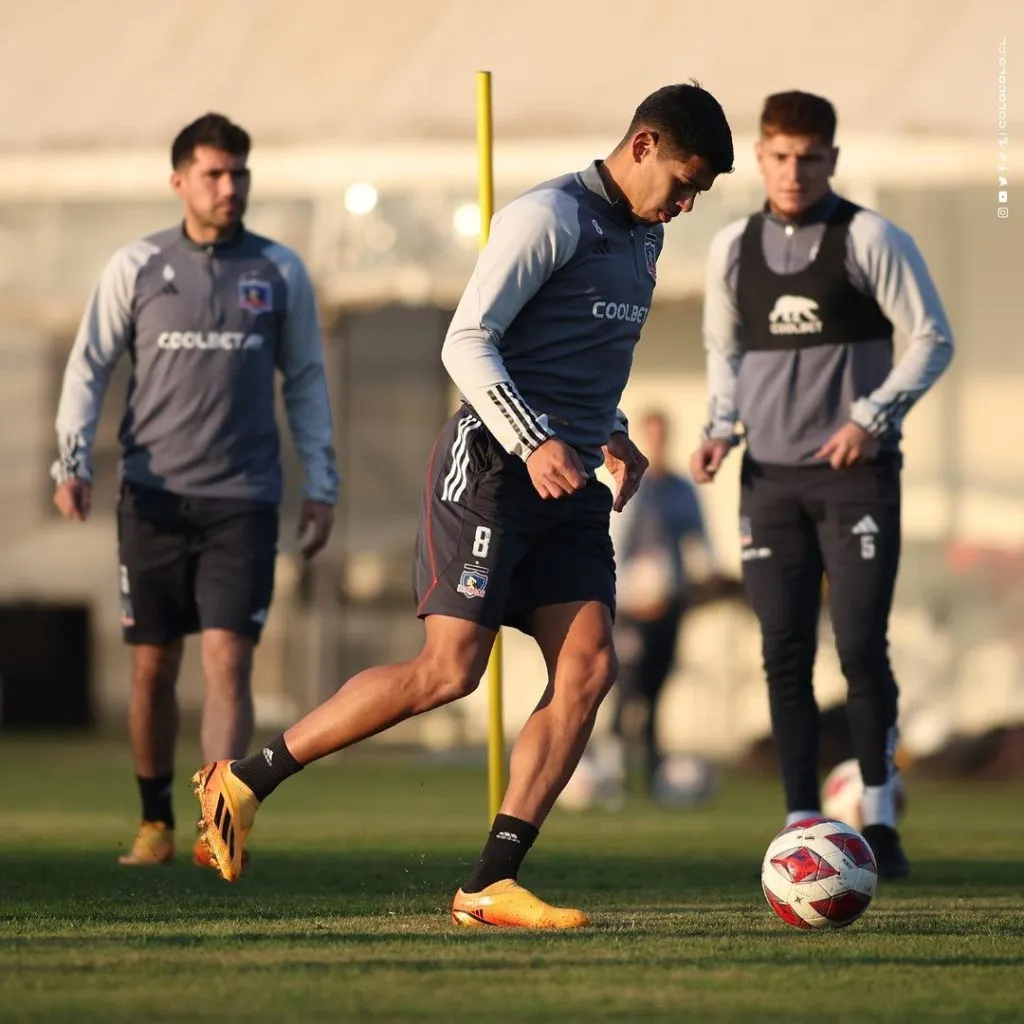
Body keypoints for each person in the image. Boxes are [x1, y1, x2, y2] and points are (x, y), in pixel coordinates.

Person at [191, 82, 735, 929]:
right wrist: (534, 440)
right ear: (642, 148)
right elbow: (467, 340)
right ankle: (245, 778)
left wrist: (613, 433)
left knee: (589, 670)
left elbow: (580, 357)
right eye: (684, 181)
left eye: (701, 192)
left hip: (570, 482)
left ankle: (489, 883)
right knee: (449, 672)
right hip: (490, 467)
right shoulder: (548, 216)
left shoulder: (644, 241)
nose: (688, 204)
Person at [51, 113, 339, 868]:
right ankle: (155, 822)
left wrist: (322, 482)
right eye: (213, 174)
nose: (228, 187)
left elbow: (306, 380)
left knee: (229, 660)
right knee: (152, 667)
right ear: (180, 180)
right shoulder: (138, 266)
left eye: (239, 173)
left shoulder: (279, 271)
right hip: (152, 497)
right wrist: (72, 461)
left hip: (242, 499)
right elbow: (89, 366)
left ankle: (222, 825)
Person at [691, 91, 954, 879]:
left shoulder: (871, 238)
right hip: (768, 480)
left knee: (862, 646)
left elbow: (932, 339)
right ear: (760, 156)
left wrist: (871, 416)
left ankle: (879, 815)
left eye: (809, 157)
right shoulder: (732, 247)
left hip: (856, 479)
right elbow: (722, 351)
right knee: (782, 648)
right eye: (778, 155)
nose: (792, 171)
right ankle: (802, 820)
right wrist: (718, 427)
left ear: (832, 160)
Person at [602, 409, 714, 797]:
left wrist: (701, 581)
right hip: (633, 609)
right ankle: (612, 769)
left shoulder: (682, 490)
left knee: (655, 689)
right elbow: (616, 541)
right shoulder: (631, 487)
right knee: (626, 685)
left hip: (670, 605)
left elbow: (701, 543)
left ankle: (651, 772)